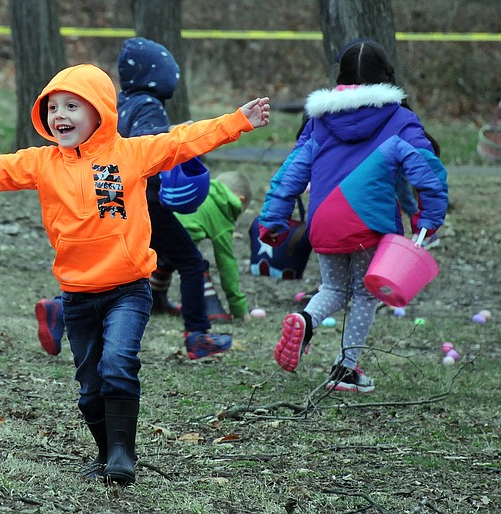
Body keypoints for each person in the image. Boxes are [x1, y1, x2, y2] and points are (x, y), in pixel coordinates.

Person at [0, 62, 270, 484]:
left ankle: (122, 456)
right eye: (53, 107)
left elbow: (184, 140)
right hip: (76, 296)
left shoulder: (130, 154)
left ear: (100, 111)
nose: (60, 116)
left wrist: (239, 120)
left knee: (117, 364)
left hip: (129, 290)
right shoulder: (42, 163)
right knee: (89, 390)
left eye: (72, 106)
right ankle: (105, 454)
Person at [258, 40, 447, 393]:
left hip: (325, 221)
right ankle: (346, 369)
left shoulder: (319, 121)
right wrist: (429, 217)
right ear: (385, 76)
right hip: (369, 224)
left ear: (341, 77)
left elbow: (292, 173)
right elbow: (427, 171)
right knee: (364, 295)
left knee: (332, 287)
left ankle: (305, 319)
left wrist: (274, 217)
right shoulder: (399, 119)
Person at [36, 38, 236, 361]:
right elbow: (148, 147)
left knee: (134, 260)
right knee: (191, 261)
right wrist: (174, 139)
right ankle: (198, 335)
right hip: (147, 202)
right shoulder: (148, 105)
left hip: (126, 203)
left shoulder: (122, 104)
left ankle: (70, 307)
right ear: (157, 75)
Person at [175, 171, 253, 322]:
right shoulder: (224, 210)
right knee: (195, 265)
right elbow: (226, 263)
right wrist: (238, 307)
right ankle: (209, 308)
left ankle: (157, 298)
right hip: (176, 238)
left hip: (156, 229)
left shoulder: (201, 190)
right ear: (240, 200)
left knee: (167, 258)